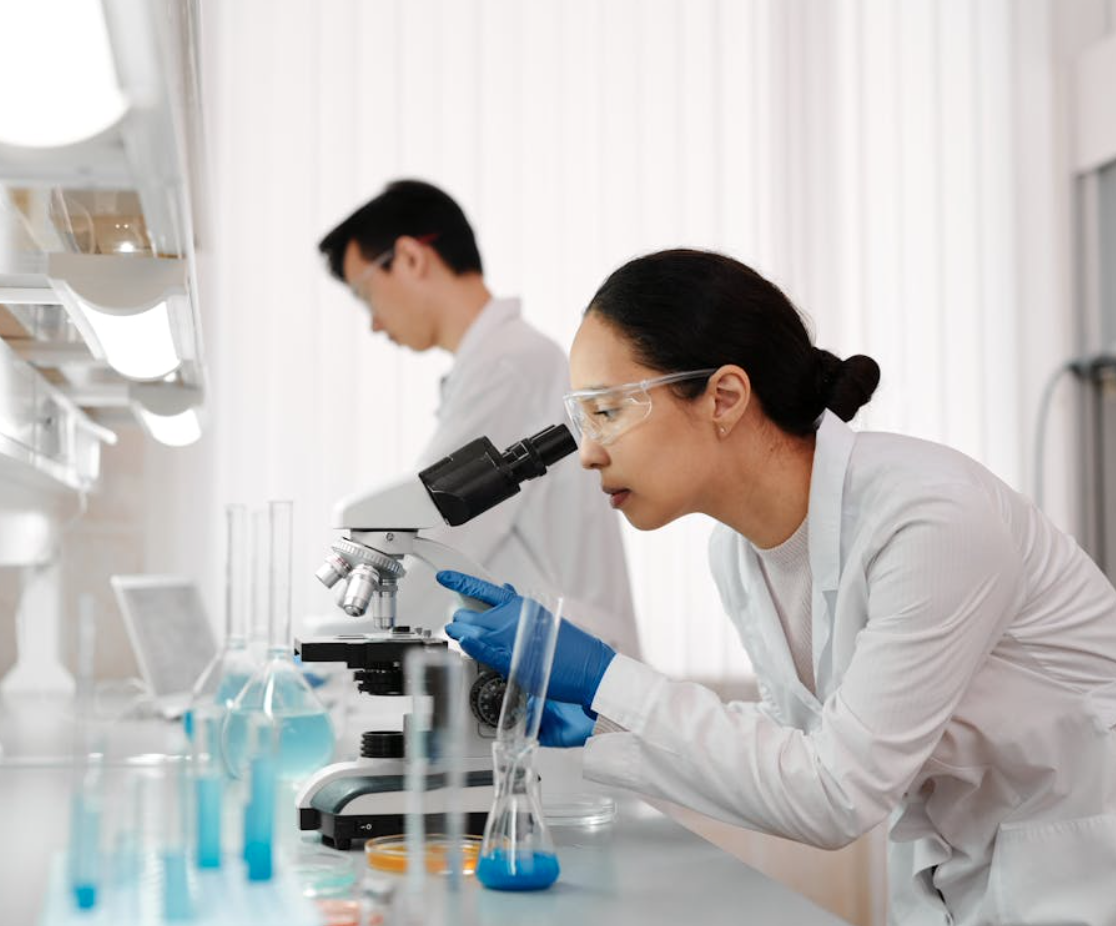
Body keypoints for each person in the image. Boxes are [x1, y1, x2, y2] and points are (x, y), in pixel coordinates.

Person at [440, 249, 1116, 925]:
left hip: (1082, 871)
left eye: (609, 412)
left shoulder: (931, 518)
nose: (588, 452)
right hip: (968, 876)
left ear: (725, 398)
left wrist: (606, 678)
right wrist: (607, 725)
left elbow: (835, 793)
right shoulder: (736, 553)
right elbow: (802, 742)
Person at [319, 179, 638, 654]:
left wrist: (323, 650)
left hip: (574, 669)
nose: (374, 323)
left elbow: (434, 532)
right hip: (552, 657)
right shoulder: (501, 364)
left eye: (366, 295)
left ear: (410, 258)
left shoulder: (509, 367)